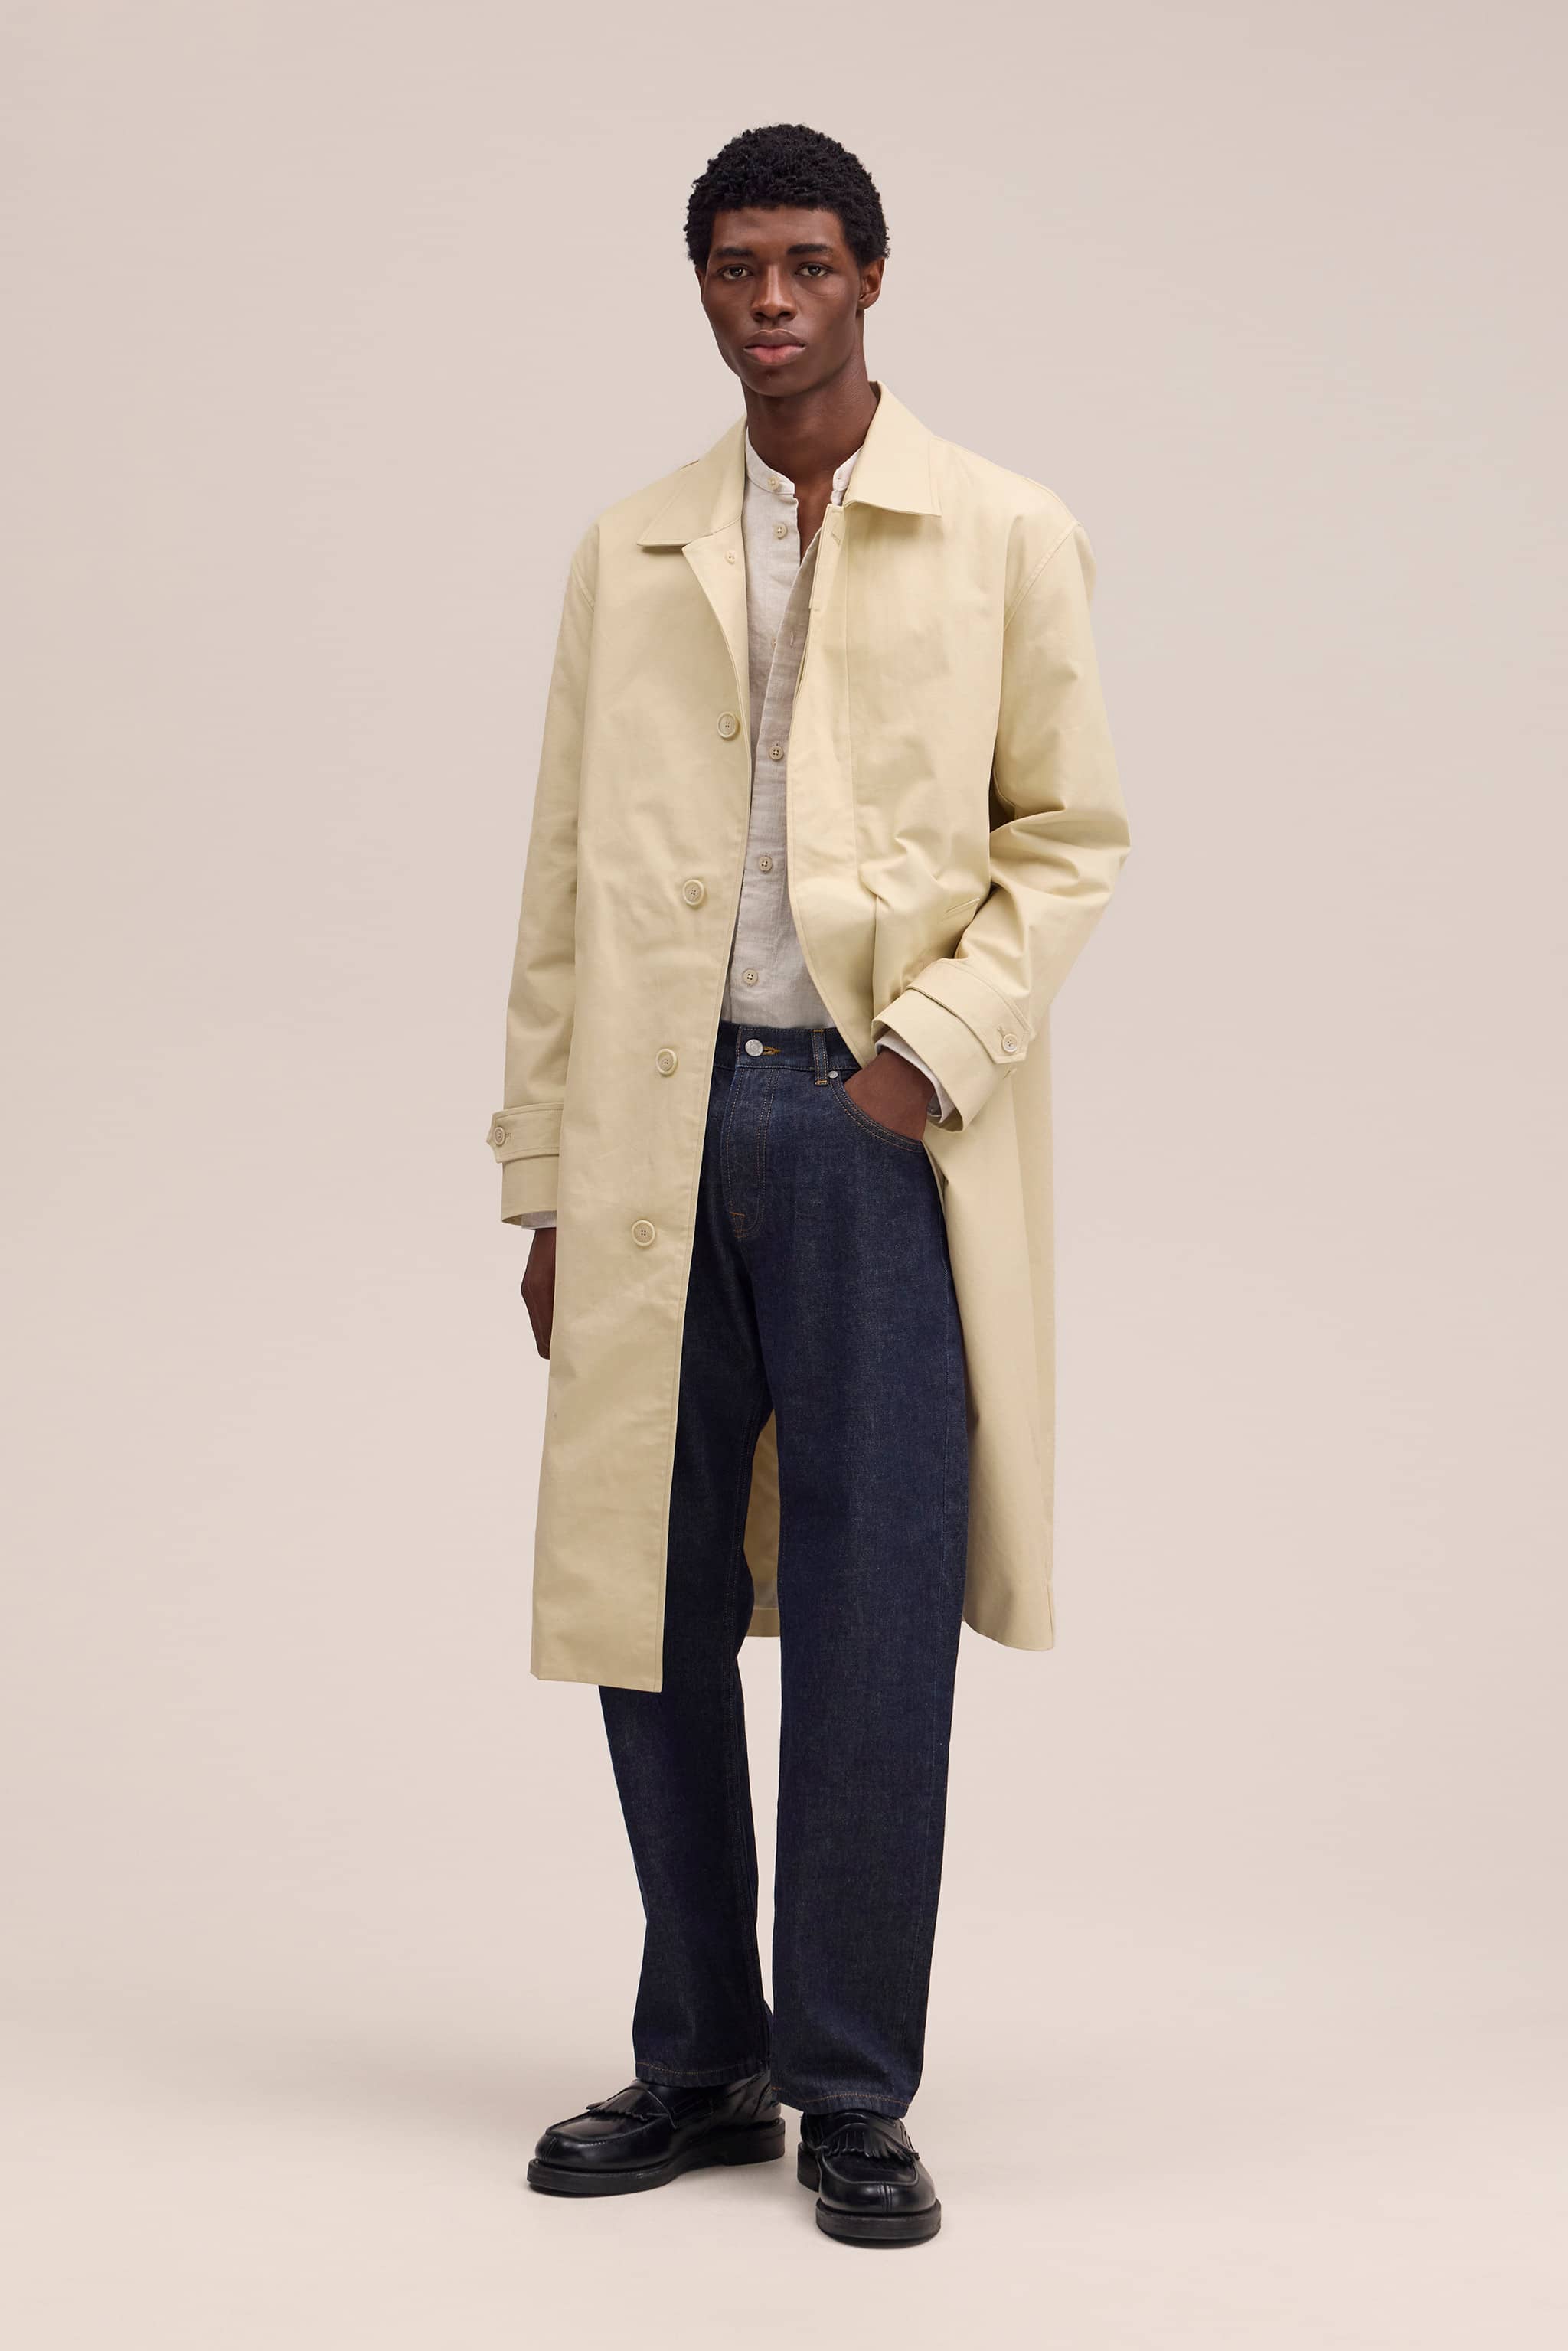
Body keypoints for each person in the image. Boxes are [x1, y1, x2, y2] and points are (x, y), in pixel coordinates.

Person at [487, 122, 1129, 2247]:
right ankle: (703, 2061)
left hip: (870, 1139)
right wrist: (546, 1178)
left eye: (808, 265)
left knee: (871, 1618)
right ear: (702, 287)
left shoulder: (1005, 530)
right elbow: (565, 879)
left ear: (870, 279)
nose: (771, 302)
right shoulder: (632, 550)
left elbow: (1070, 839)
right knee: (648, 1603)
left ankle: (853, 2086)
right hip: (651, 1140)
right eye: (737, 267)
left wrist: (918, 1064)